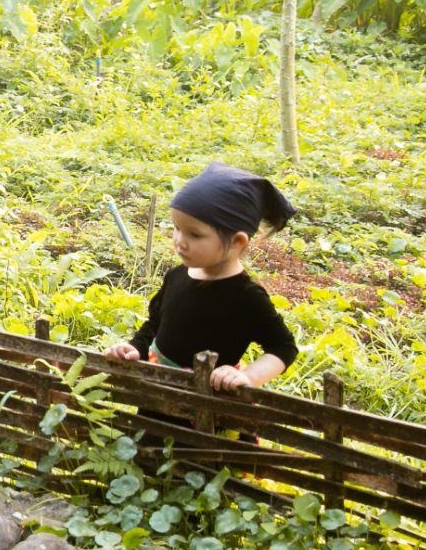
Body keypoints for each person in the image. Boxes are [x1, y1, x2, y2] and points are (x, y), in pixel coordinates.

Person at [105, 163, 298, 392]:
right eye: (177, 228)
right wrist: (135, 348)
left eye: (194, 234)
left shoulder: (246, 298)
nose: (179, 241)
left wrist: (247, 376)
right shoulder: (177, 276)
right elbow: (155, 325)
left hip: (205, 404)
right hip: (157, 392)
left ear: (237, 242)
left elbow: (283, 347)